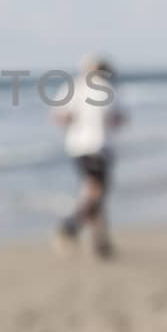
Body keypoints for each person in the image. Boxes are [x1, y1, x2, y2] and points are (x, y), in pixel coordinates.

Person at [53, 56, 126, 258]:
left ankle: (101, 243)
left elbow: (59, 116)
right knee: (96, 192)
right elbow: (119, 118)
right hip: (98, 147)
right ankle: (70, 225)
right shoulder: (107, 89)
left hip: (78, 148)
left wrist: (74, 120)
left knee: (93, 193)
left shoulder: (74, 88)